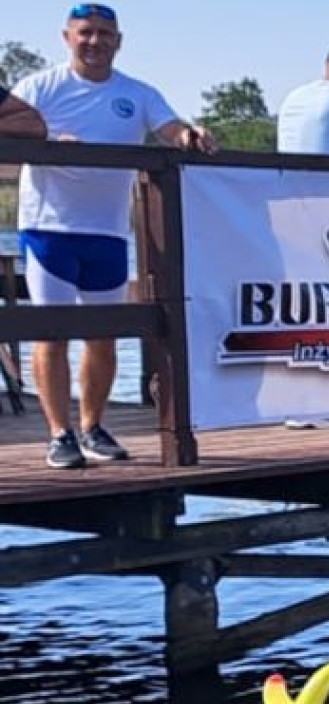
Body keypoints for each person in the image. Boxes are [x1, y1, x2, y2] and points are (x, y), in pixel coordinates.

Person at [14, 3, 216, 470]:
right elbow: (15, 131)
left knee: (103, 336)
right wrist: (44, 145)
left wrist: (191, 134)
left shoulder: (137, 92)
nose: (95, 41)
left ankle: (92, 426)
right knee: (51, 334)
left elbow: (170, 129)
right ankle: (58, 433)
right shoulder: (40, 87)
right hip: (50, 228)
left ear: (118, 41)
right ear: (67, 37)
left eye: (105, 33)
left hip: (106, 229)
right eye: (85, 32)